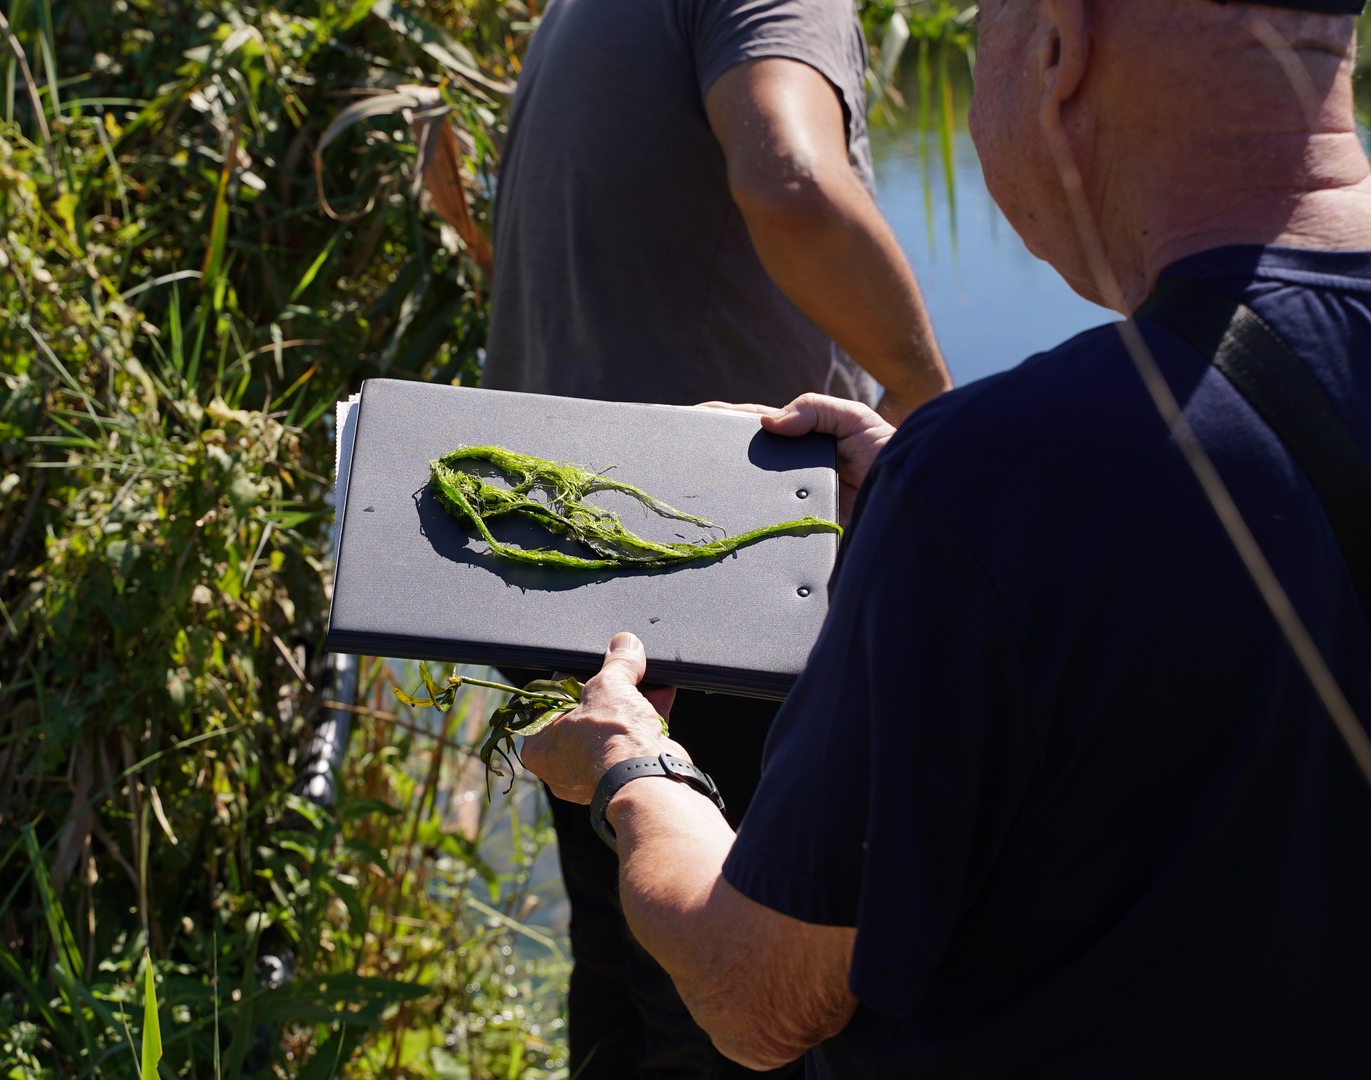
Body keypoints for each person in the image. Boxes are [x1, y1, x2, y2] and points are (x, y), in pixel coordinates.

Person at [521, 0, 1371, 1075]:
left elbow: (758, 994)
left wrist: (628, 768)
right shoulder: (1008, 494)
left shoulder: (1004, 481)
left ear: (1057, 47)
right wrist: (927, 499)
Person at [481, 0, 952, 1074]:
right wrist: (927, 391)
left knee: (623, 954)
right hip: (714, 572)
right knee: (738, 1002)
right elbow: (790, 180)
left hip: (563, 560)